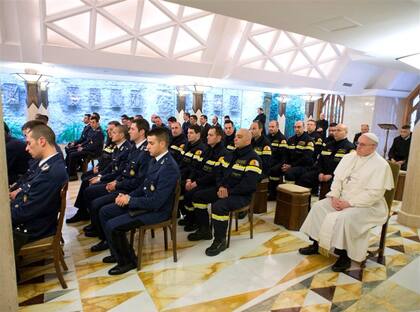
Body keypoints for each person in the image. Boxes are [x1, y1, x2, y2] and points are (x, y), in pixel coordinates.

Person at [299, 133, 394, 272]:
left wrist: (349, 203)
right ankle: (316, 244)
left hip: (367, 205)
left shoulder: (381, 165)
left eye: (362, 144)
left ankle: (344, 256)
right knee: (319, 207)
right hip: (341, 198)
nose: (358, 147)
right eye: (357, 143)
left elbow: (374, 194)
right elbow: (337, 180)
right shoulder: (349, 157)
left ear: (373, 147)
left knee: (345, 218)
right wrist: (335, 196)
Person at [98, 128, 180, 275]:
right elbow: (144, 187)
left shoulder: (169, 168)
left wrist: (130, 200)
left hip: (158, 212)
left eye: (151, 143)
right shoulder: (155, 160)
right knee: (105, 212)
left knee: (113, 225)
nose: (147, 146)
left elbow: (156, 202)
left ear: (162, 144)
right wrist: (125, 196)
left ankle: (127, 262)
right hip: (145, 203)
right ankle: (117, 252)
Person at [188, 129, 262, 256]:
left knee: (219, 206)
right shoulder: (230, 155)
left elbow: (249, 185)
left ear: (248, 140)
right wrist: (221, 186)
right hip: (223, 190)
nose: (235, 139)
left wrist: (229, 191)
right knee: (197, 196)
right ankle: (205, 230)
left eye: (239, 137)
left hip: (241, 195)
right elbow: (218, 174)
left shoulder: (253, 159)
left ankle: (220, 240)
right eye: (235, 137)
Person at [86, 120, 152, 249]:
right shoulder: (134, 147)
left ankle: (106, 239)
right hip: (123, 184)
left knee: (99, 206)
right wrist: (116, 181)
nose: (129, 131)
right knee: (91, 193)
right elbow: (125, 170)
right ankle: (103, 234)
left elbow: (139, 181)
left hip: (130, 190)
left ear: (142, 132)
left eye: (132, 129)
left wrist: (117, 185)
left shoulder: (145, 152)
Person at [11, 124, 68, 255]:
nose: (26, 148)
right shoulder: (48, 164)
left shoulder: (51, 172)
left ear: (42, 141)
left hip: (34, 227)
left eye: (29, 143)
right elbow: (28, 192)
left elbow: (27, 210)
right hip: (35, 218)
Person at [67, 125, 131, 223]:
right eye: (109, 131)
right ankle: (83, 212)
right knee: (85, 179)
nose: (110, 134)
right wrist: (100, 175)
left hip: (116, 179)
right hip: (109, 173)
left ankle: (87, 214)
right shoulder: (117, 146)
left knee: (88, 186)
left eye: (113, 132)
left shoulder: (126, 149)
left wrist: (100, 178)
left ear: (122, 135)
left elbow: (118, 171)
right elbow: (111, 164)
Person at [182, 127, 227, 233]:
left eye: (211, 135)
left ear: (219, 137)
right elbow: (196, 167)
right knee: (187, 193)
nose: (207, 137)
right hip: (202, 181)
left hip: (213, 184)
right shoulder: (207, 150)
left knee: (197, 196)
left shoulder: (223, 153)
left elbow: (214, 174)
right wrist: (190, 179)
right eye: (207, 134)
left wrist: (197, 183)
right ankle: (192, 220)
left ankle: (204, 229)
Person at [296, 124, 354, 191]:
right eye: (335, 130)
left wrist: (331, 175)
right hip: (322, 172)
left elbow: (347, 167)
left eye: (339, 130)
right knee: (304, 178)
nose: (335, 132)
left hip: (336, 176)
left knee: (331, 185)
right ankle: (306, 199)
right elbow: (320, 160)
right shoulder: (328, 145)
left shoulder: (350, 147)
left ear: (346, 132)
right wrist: (320, 172)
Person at [178, 125, 206, 227]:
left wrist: (188, 179)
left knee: (185, 192)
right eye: (188, 133)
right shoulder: (187, 145)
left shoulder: (201, 148)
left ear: (198, 134)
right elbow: (181, 163)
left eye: (191, 133)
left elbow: (195, 168)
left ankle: (193, 219)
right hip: (183, 175)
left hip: (193, 177)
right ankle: (186, 215)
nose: (188, 135)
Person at [66, 115, 104, 180]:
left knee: (73, 154)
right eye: (91, 122)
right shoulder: (92, 130)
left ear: (97, 123)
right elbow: (88, 140)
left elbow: (94, 146)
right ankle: (70, 170)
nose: (91, 124)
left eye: (93, 122)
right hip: (88, 149)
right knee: (70, 151)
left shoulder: (99, 133)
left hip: (94, 152)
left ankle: (73, 176)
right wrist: (81, 145)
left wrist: (83, 148)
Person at [267, 120, 288, 200]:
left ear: (277, 127)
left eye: (272, 127)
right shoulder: (267, 137)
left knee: (274, 171)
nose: (270, 128)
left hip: (278, 163)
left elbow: (284, 157)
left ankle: (273, 194)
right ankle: (266, 191)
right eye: (269, 127)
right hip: (269, 162)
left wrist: (278, 166)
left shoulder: (282, 139)